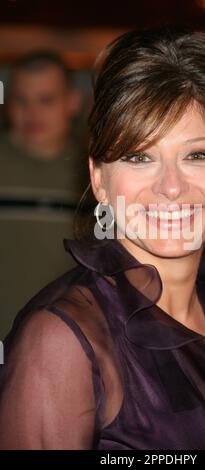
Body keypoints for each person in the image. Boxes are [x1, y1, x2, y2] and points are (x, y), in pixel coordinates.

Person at [0, 26, 205, 450]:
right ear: (99, 179)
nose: (170, 186)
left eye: (197, 155)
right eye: (139, 156)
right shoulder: (63, 343)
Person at [0, 50, 86, 338]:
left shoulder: (95, 176)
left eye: (46, 100)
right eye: (21, 100)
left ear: (72, 102)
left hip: (63, 350)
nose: (32, 113)